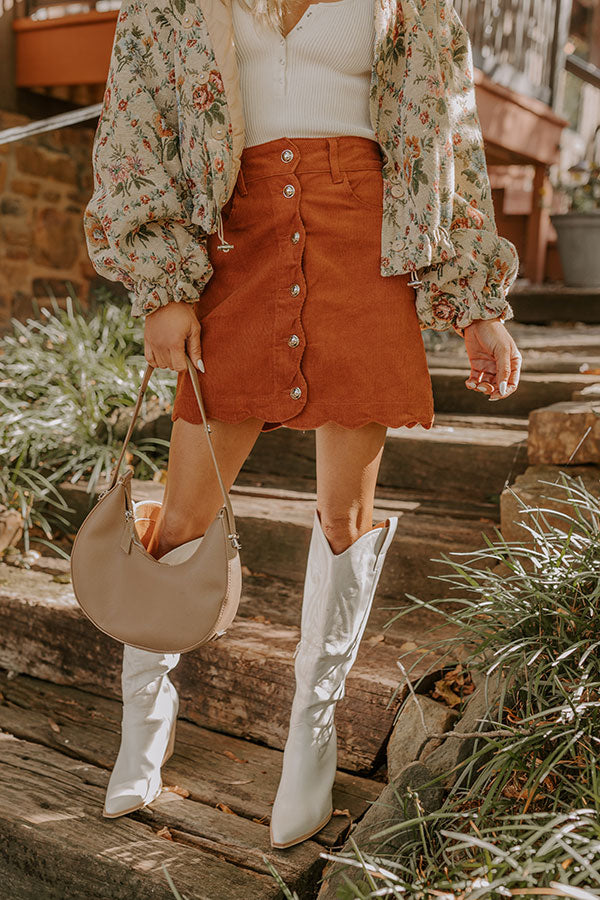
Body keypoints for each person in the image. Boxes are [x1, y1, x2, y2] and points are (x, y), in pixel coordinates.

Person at [83, 0, 522, 849]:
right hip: (235, 240)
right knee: (182, 514)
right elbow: (135, 132)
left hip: (365, 236)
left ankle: (310, 737)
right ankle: (145, 718)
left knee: (343, 517)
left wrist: (475, 306)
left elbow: (449, 142)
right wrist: (167, 286)